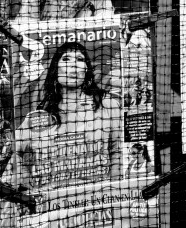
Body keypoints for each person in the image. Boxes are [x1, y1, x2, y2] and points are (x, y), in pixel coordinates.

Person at [12, 41, 122, 190]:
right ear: (55, 70)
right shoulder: (39, 116)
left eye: (80, 59)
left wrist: (114, 188)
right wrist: (23, 175)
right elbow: (14, 150)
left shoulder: (106, 104)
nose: (73, 65)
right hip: (50, 197)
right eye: (66, 59)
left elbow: (117, 151)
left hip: (97, 195)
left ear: (86, 69)